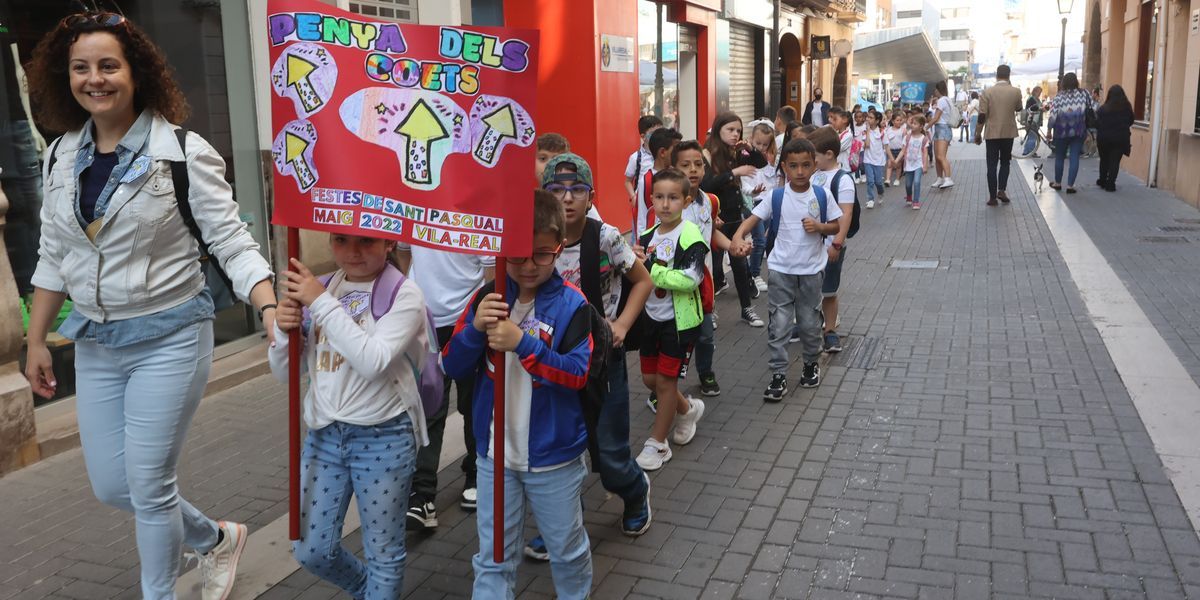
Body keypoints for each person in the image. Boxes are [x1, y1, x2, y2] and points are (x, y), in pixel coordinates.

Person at [23, 12, 278, 600]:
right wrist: (37, 341)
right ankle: (215, 538)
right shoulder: (61, 154)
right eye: (81, 68)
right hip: (95, 343)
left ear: (135, 72)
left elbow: (231, 240)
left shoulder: (182, 153)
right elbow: (54, 254)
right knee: (115, 487)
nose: (95, 79)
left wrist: (266, 308)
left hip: (169, 336)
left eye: (108, 65)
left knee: (150, 486)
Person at [444, 190, 593, 599]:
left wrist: (524, 344)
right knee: (493, 558)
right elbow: (451, 366)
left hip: (554, 458)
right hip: (495, 457)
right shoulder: (486, 298)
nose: (528, 265)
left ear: (559, 249)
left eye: (542, 254)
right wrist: (476, 330)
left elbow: (577, 375)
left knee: (566, 550)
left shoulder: (572, 305)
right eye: (518, 254)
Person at [269, 234, 430, 599]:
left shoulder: (404, 294)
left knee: (383, 554)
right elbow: (284, 372)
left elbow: (372, 361)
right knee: (310, 548)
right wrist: (283, 328)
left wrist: (319, 302)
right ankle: (368, 591)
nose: (353, 252)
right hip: (325, 435)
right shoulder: (321, 290)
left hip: (383, 437)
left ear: (389, 242)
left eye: (367, 241)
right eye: (341, 240)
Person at [521, 153, 654, 562]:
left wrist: (622, 326)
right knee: (558, 455)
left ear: (590, 195)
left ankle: (634, 492)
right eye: (557, 190)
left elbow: (642, 281)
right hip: (551, 364)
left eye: (577, 189)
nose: (567, 198)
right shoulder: (532, 242)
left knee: (610, 453)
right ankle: (563, 527)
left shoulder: (607, 237)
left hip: (602, 363)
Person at [730, 139, 841, 400]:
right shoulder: (776, 196)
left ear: (815, 166)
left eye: (805, 165)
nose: (800, 171)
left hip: (812, 271)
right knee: (779, 323)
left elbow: (836, 225)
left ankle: (811, 364)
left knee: (809, 321)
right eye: (793, 166)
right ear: (784, 168)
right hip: (780, 270)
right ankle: (778, 374)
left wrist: (820, 227)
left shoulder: (822, 195)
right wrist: (737, 236)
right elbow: (753, 219)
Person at [395, 240, 494, 530]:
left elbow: (490, 270)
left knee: (472, 402)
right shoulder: (418, 199)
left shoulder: (475, 210)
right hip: (423, 323)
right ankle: (423, 493)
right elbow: (402, 249)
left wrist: (481, 319)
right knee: (429, 407)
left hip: (466, 324)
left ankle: (476, 472)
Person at [633, 168, 708, 471]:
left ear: (686, 200)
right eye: (660, 197)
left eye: (673, 198)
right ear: (651, 199)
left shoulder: (690, 234)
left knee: (665, 382)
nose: (665, 204)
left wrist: (650, 269)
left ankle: (657, 444)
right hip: (650, 318)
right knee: (650, 380)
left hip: (680, 323)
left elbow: (692, 277)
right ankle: (687, 409)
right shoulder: (647, 236)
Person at [674, 140, 731, 399]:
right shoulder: (670, 205)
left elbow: (710, 234)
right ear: (673, 168)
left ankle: (706, 372)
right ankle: (666, 387)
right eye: (685, 165)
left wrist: (733, 245)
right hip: (676, 285)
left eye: (698, 164)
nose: (693, 170)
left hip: (703, 282)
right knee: (676, 340)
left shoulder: (707, 201)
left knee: (706, 335)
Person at [700, 112, 764, 327]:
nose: (735, 134)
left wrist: (751, 148)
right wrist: (734, 172)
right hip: (714, 221)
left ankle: (747, 309)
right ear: (718, 129)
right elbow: (706, 185)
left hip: (735, 219)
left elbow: (761, 163)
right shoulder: (706, 154)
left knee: (740, 266)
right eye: (730, 129)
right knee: (711, 268)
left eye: (738, 130)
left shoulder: (734, 152)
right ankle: (710, 312)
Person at [806, 126, 856, 352]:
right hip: (809, 244)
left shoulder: (842, 179)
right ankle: (808, 326)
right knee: (808, 288)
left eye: (814, 156)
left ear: (828, 154)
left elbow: (846, 214)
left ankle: (830, 330)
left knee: (829, 290)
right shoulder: (814, 175)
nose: (811, 161)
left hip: (830, 244)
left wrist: (837, 243)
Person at [974, 64, 1023, 206]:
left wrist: (978, 133)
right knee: (1005, 162)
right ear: (1009, 75)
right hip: (1008, 132)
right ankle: (1002, 190)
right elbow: (1019, 108)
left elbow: (982, 115)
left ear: (996, 75)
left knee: (991, 165)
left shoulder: (987, 92)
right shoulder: (1016, 91)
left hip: (992, 133)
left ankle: (992, 197)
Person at [1046, 72, 1095, 194]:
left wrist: (1049, 130)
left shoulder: (1058, 97)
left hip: (1061, 132)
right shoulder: (1084, 94)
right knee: (1074, 157)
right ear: (1076, 82)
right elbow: (1093, 108)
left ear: (1063, 83)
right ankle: (1070, 185)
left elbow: (1052, 116)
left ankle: (1057, 183)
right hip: (1079, 131)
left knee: (1059, 157)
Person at [744, 122, 779, 291]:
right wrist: (753, 191)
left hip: (766, 202)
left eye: (765, 144)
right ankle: (754, 274)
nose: (761, 147)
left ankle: (750, 272)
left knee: (760, 241)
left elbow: (772, 181)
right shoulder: (745, 157)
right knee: (759, 240)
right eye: (758, 143)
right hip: (752, 202)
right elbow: (743, 183)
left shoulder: (769, 159)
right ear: (751, 140)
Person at [625, 115, 663, 232]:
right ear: (643, 136)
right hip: (642, 202)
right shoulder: (636, 158)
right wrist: (633, 197)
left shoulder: (663, 155)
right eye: (653, 133)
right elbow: (627, 181)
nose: (658, 136)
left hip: (661, 198)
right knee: (640, 228)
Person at [1095, 84, 1135, 192]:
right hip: (1120, 138)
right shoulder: (1127, 107)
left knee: (1104, 160)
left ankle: (1102, 180)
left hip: (1104, 139)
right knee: (1114, 161)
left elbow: (1097, 122)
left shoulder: (1104, 108)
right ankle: (1111, 184)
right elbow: (1131, 120)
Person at [893, 115, 930, 210]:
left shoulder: (924, 139)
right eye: (912, 123)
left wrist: (925, 166)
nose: (912, 125)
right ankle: (909, 195)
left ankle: (916, 201)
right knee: (908, 184)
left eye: (915, 124)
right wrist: (896, 160)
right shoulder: (907, 137)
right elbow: (903, 150)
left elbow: (925, 153)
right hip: (908, 164)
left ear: (921, 126)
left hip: (918, 164)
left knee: (917, 182)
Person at [928, 81, 955, 189]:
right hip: (942, 129)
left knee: (940, 156)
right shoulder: (947, 100)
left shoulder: (942, 101)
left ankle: (948, 179)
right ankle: (940, 178)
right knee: (938, 157)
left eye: (935, 89)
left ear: (939, 89)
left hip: (942, 129)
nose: (934, 91)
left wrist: (925, 127)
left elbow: (936, 118)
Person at [862, 111, 887, 209]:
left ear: (877, 121)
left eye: (871, 118)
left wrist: (893, 160)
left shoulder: (881, 132)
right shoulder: (865, 131)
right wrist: (868, 131)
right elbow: (867, 145)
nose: (868, 119)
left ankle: (880, 193)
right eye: (868, 117)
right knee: (870, 181)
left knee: (878, 182)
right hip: (868, 160)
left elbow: (886, 146)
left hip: (879, 161)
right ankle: (870, 199)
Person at [1020, 86, 1044, 158]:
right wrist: (1041, 108)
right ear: (1035, 91)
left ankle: (1029, 151)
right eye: (1039, 92)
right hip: (1032, 120)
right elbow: (1031, 109)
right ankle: (1028, 152)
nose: (1040, 94)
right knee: (1032, 136)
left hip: (1035, 120)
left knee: (1032, 136)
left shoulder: (1035, 99)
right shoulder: (1031, 99)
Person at [885, 111, 906, 187]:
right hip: (891, 150)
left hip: (899, 150)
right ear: (893, 121)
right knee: (889, 164)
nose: (899, 122)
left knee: (898, 165)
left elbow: (904, 141)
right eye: (897, 120)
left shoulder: (903, 130)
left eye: (900, 120)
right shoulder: (888, 130)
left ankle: (897, 179)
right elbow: (886, 141)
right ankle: (887, 179)